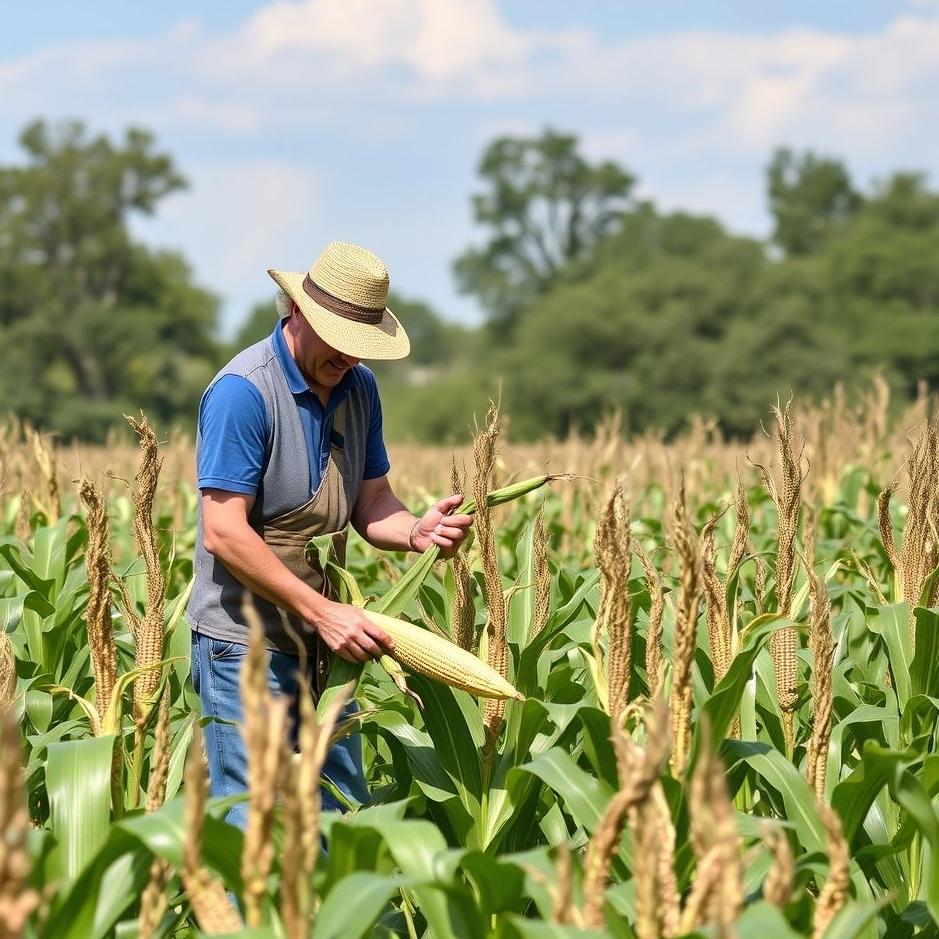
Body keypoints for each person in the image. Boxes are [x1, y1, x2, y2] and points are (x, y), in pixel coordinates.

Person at [187, 241, 473, 827]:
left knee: (342, 807)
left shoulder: (358, 388)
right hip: (244, 642)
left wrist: (417, 530)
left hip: (322, 640)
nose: (347, 356)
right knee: (254, 817)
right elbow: (223, 532)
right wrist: (323, 613)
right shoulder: (245, 391)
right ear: (296, 314)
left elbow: (372, 501)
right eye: (336, 338)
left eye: (359, 345)